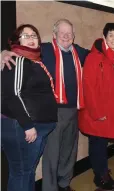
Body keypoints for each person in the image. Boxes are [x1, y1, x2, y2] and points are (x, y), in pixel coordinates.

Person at [1, 19, 88, 191]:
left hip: (68, 111)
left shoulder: (76, 52)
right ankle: (50, 188)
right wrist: (3, 52)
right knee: (38, 162)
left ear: (74, 36)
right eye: (61, 32)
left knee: (62, 155)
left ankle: (64, 184)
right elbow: (13, 93)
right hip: (33, 121)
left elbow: (99, 51)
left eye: (69, 33)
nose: (66, 36)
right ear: (54, 35)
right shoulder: (42, 51)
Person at [1, 24, 57, 191]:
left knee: (28, 171)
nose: (31, 39)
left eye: (34, 35)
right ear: (16, 41)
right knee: (20, 172)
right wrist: (28, 125)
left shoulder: (35, 60)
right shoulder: (17, 60)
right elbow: (13, 95)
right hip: (23, 126)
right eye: (26, 36)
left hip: (38, 126)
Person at [78, 23, 114, 190]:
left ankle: (103, 173)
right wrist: (96, 112)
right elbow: (88, 86)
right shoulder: (95, 57)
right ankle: (101, 178)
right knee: (98, 145)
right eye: (111, 35)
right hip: (98, 111)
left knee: (101, 145)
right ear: (105, 37)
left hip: (111, 109)